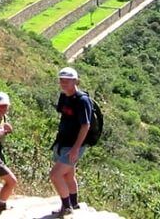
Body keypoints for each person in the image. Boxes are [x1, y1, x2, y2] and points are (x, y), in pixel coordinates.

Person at [49, 67, 93, 217]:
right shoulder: (64, 97)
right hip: (63, 142)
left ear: (75, 81)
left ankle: (66, 207)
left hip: (74, 145)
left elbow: (85, 126)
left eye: (67, 81)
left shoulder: (82, 100)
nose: (63, 83)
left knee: (55, 175)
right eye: (61, 80)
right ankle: (74, 203)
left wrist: (75, 148)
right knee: (68, 175)